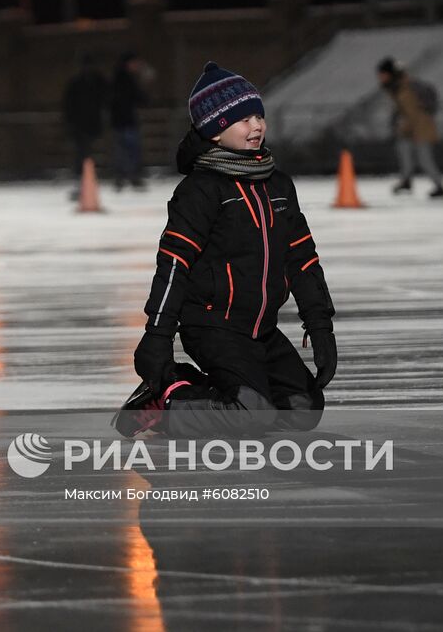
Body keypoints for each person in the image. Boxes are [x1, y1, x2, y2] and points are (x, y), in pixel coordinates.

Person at [114, 63, 337, 439]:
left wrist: (320, 324)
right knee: (251, 415)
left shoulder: (278, 184)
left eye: (258, 115)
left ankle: (215, 393)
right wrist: (157, 334)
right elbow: (173, 265)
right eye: (242, 119)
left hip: (260, 330)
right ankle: (166, 397)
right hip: (213, 326)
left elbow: (303, 258)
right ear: (214, 131)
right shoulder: (201, 191)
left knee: (304, 408)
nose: (256, 126)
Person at [376, 57, 443, 198]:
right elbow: (400, 109)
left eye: (382, 75)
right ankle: (406, 181)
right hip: (408, 125)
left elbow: (427, 101)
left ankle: (439, 186)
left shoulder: (409, 85)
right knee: (404, 152)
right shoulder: (396, 88)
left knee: (424, 159)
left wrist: (425, 112)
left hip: (421, 126)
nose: (380, 78)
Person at [60, 53, 107, 200]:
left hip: (89, 124)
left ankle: (86, 183)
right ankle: (82, 183)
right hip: (80, 126)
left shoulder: (96, 82)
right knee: (82, 154)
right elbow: (68, 106)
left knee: (85, 155)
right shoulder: (77, 84)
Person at [109, 51, 149, 191]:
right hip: (125, 120)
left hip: (121, 120)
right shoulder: (126, 79)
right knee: (129, 149)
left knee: (123, 150)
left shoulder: (118, 78)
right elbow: (136, 96)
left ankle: (122, 176)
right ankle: (130, 176)